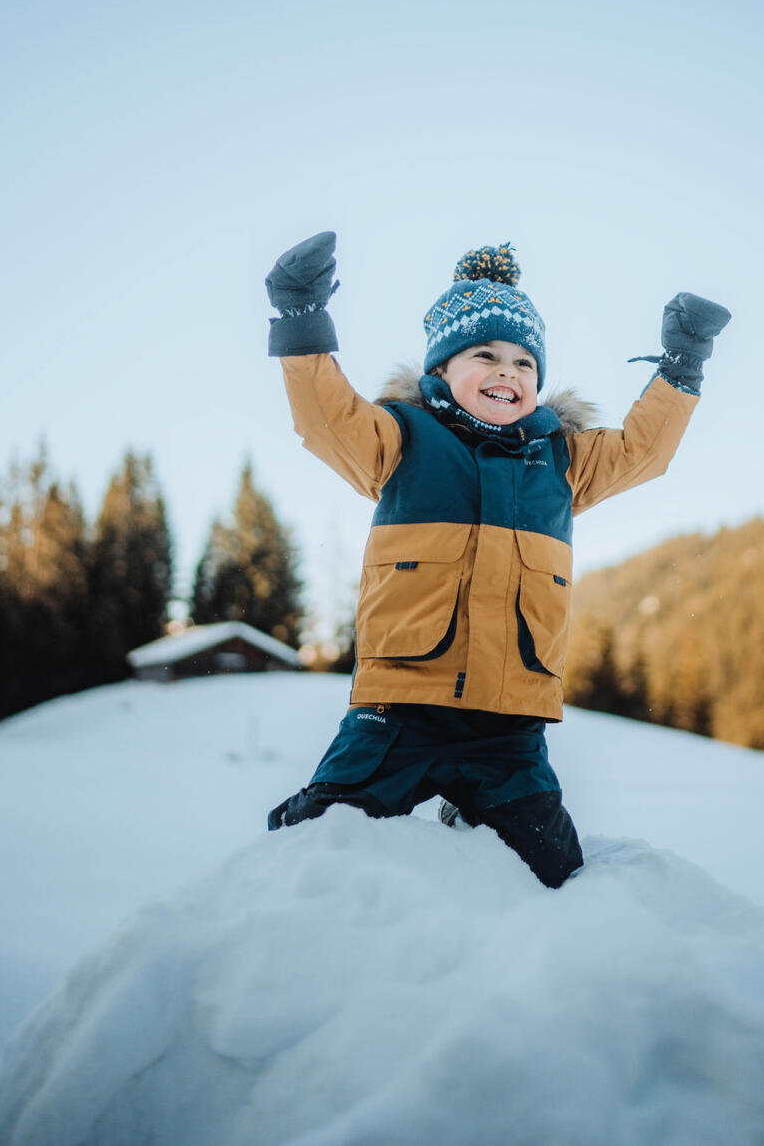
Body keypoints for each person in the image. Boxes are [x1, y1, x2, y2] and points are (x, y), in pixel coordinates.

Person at [265, 233, 730, 887]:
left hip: (507, 729)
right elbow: (324, 420)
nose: (507, 372)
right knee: (321, 842)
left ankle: (473, 810)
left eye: (523, 363)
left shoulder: (561, 460)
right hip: (399, 711)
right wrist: (299, 312)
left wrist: (682, 364)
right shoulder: (401, 439)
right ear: (442, 371)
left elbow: (643, 452)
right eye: (484, 354)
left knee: (552, 870)